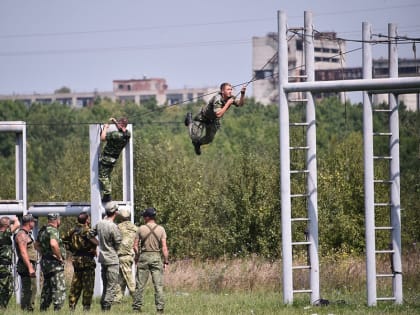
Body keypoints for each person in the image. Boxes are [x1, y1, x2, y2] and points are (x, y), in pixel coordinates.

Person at [184, 82, 246, 155]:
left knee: (209, 139)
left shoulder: (230, 98)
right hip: (203, 118)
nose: (230, 91)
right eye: (228, 89)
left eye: (231, 89)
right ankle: (189, 121)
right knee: (194, 138)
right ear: (222, 91)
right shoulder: (217, 99)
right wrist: (228, 104)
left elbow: (240, 104)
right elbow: (218, 114)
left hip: (213, 121)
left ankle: (198, 144)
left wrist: (242, 94)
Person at [132, 207, 169, 313]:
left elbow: (135, 246)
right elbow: (164, 247)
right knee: (158, 285)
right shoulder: (161, 229)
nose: (144, 218)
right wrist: (166, 261)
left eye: (144, 216)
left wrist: (137, 256)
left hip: (144, 257)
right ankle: (160, 309)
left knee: (140, 285)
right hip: (156, 257)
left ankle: (136, 308)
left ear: (147, 217)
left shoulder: (141, 229)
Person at [62, 212, 98, 312]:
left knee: (76, 284)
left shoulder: (72, 230)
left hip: (76, 260)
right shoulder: (87, 231)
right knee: (88, 286)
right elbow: (95, 242)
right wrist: (96, 245)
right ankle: (86, 309)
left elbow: (63, 240)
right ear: (86, 220)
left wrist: (71, 249)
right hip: (87, 261)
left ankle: (72, 307)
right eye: (89, 218)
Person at [89, 201, 122, 311]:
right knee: (111, 286)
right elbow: (118, 244)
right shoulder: (113, 227)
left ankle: (103, 307)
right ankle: (106, 308)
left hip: (103, 259)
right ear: (115, 212)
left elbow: (89, 235)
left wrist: (99, 244)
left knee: (106, 284)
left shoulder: (100, 223)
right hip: (112, 259)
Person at [36, 212, 66, 312]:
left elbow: (36, 245)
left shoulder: (42, 230)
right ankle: (58, 310)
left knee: (47, 287)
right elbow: (53, 244)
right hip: (54, 264)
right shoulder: (53, 230)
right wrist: (59, 257)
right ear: (57, 219)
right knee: (58, 287)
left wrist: (44, 253)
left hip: (45, 263)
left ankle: (43, 309)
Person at [99, 117, 131, 203]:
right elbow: (122, 129)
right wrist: (116, 122)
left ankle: (107, 195)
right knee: (107, 176)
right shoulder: (127, 135)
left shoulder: (115, 135)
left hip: (106, 158)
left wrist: (105, 128)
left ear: (121, 125)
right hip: (114, 159)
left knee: (103, 176)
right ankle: (107, 194)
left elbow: (102, 138)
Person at [14, 214, 38, 311]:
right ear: (29, 222)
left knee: (32, 288)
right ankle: (27, 309)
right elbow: (23, 252)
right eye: (33, 221)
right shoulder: (21, 234)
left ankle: (28, 309)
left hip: (28, 265)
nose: (34, 223)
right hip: (26, 266)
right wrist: (30, 267)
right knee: (29, 289)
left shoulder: (27, 234)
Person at [0, 216, 20, 309]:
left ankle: (3, 306)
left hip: (5, 265)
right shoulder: (4, 233)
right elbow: (17, 224)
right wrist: (14, 218)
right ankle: (2, 306)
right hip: (3, 266)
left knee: (9, 287)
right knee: (5, 288)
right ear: (7, 225)